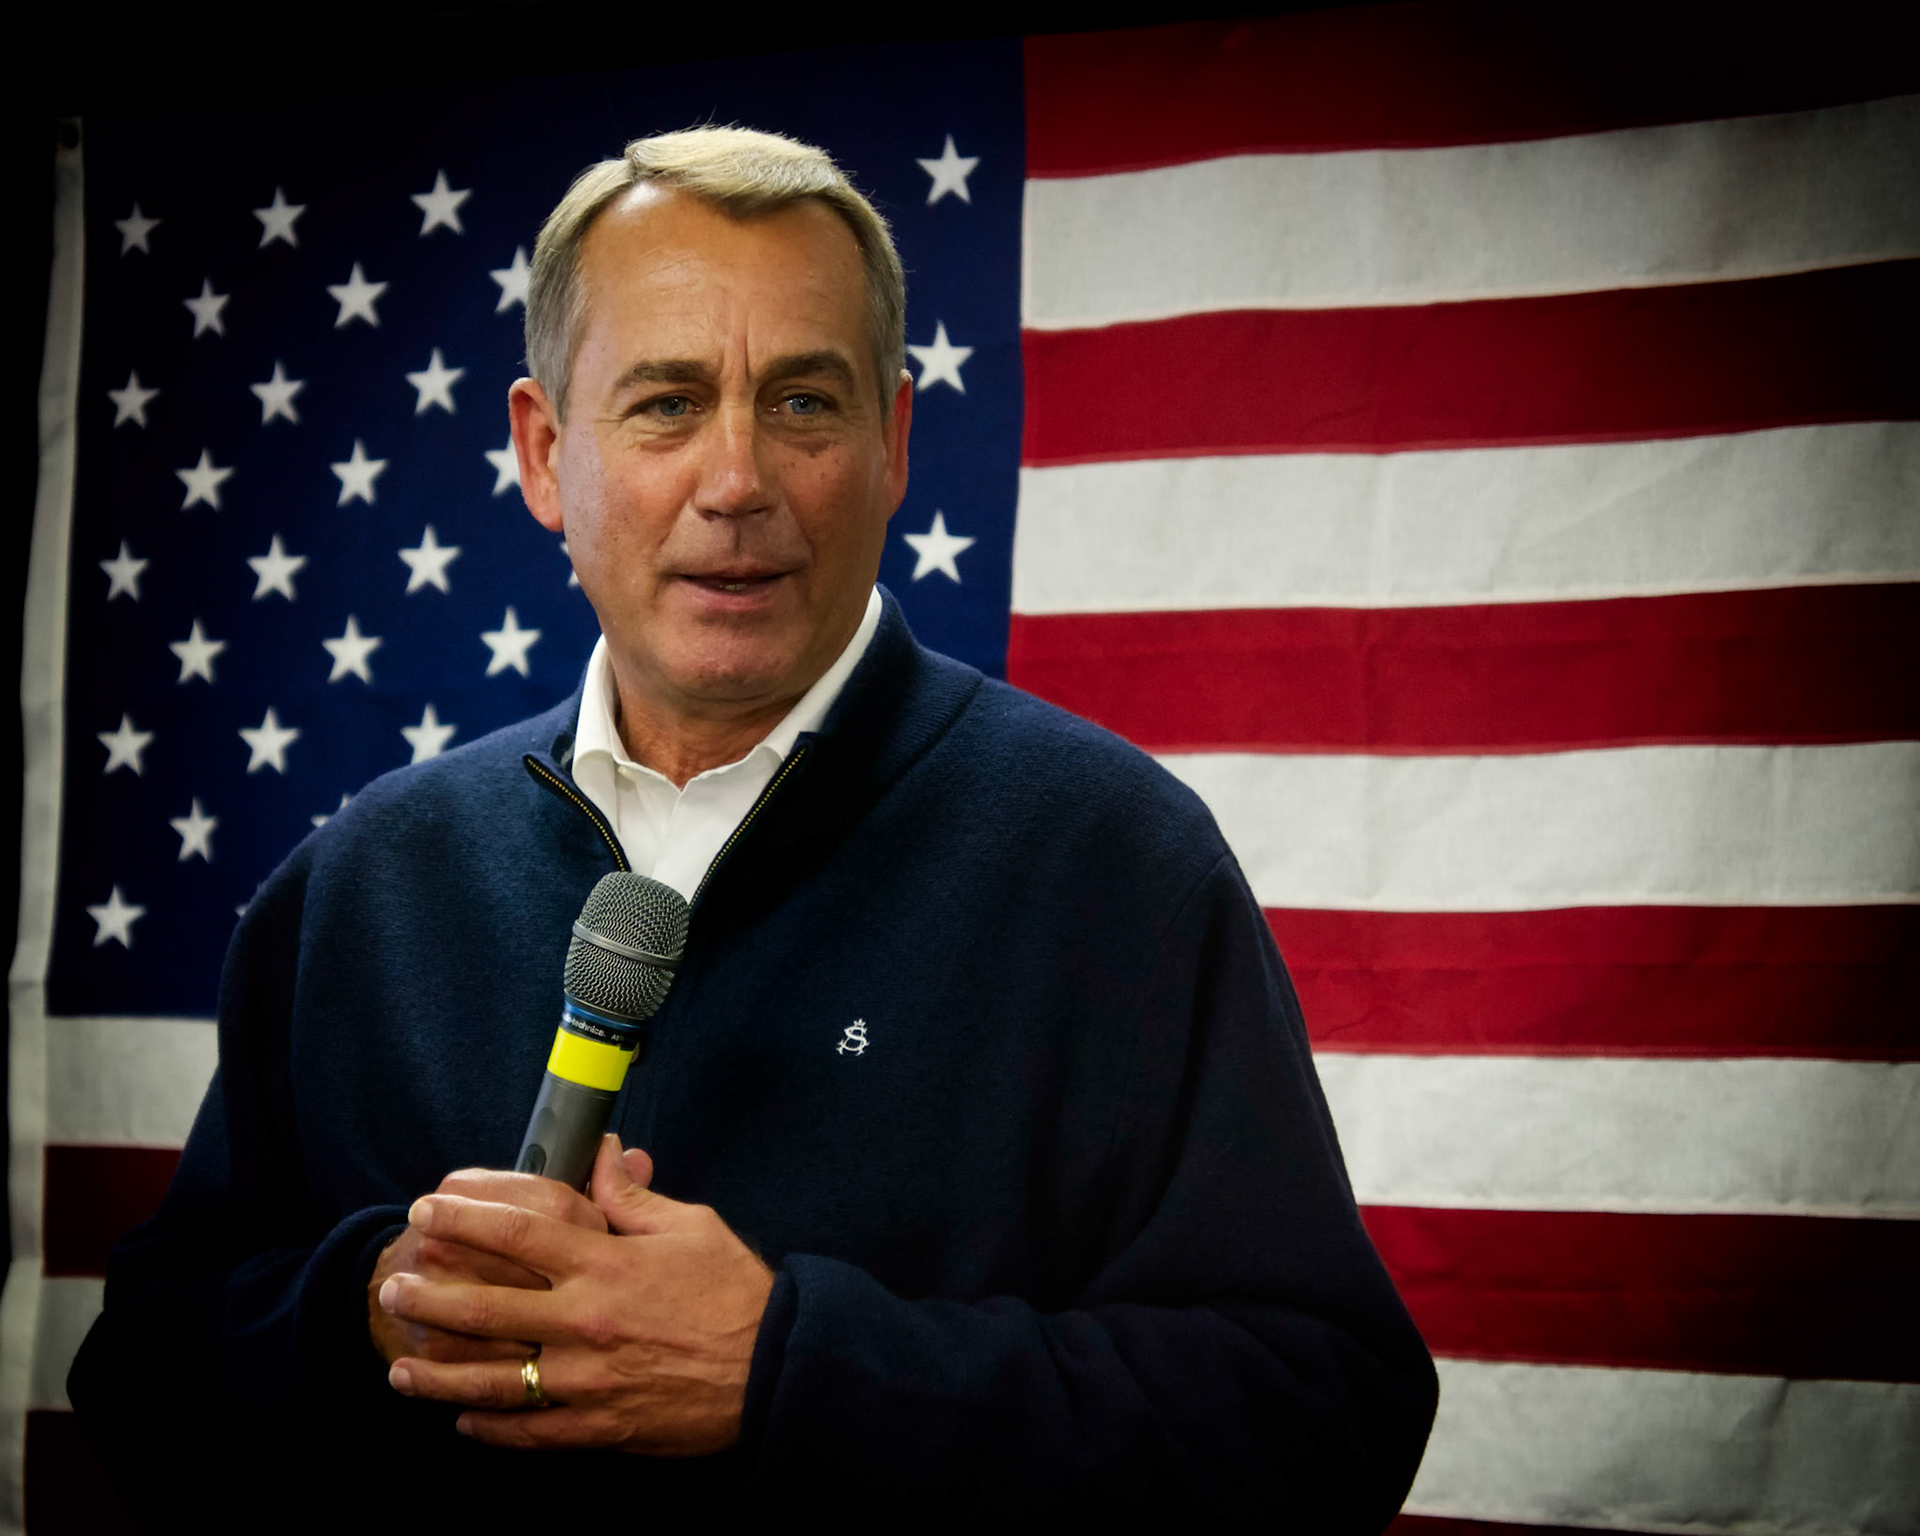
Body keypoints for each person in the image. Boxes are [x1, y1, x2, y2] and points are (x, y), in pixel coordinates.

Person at [70, 127, 1437, 1529]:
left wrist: (790, 1373)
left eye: (802, 403)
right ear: (545, 456)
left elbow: (1323, 1418)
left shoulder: (1115, 863)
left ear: (895, 443)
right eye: (665, 403)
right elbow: (144, 1375)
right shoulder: (363, 880)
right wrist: (377, 1306)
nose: (737, 481)